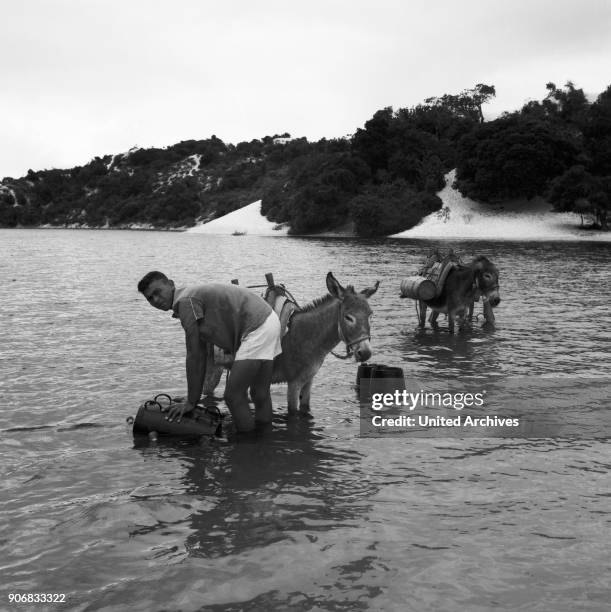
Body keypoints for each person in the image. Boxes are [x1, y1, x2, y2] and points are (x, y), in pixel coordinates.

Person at [137, 271, 282, 432]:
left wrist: (191, 403)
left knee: (233, 396)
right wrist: (193, 397)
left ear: (171, 284)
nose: (156, 300)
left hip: (257, 326)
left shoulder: (185, 302)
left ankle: (247, 447)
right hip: (269, 318)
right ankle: (266, 439)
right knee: (259, 392)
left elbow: (194, 355)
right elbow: (200, 351)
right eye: (150, 298)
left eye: (158, 292)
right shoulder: (189, 296)